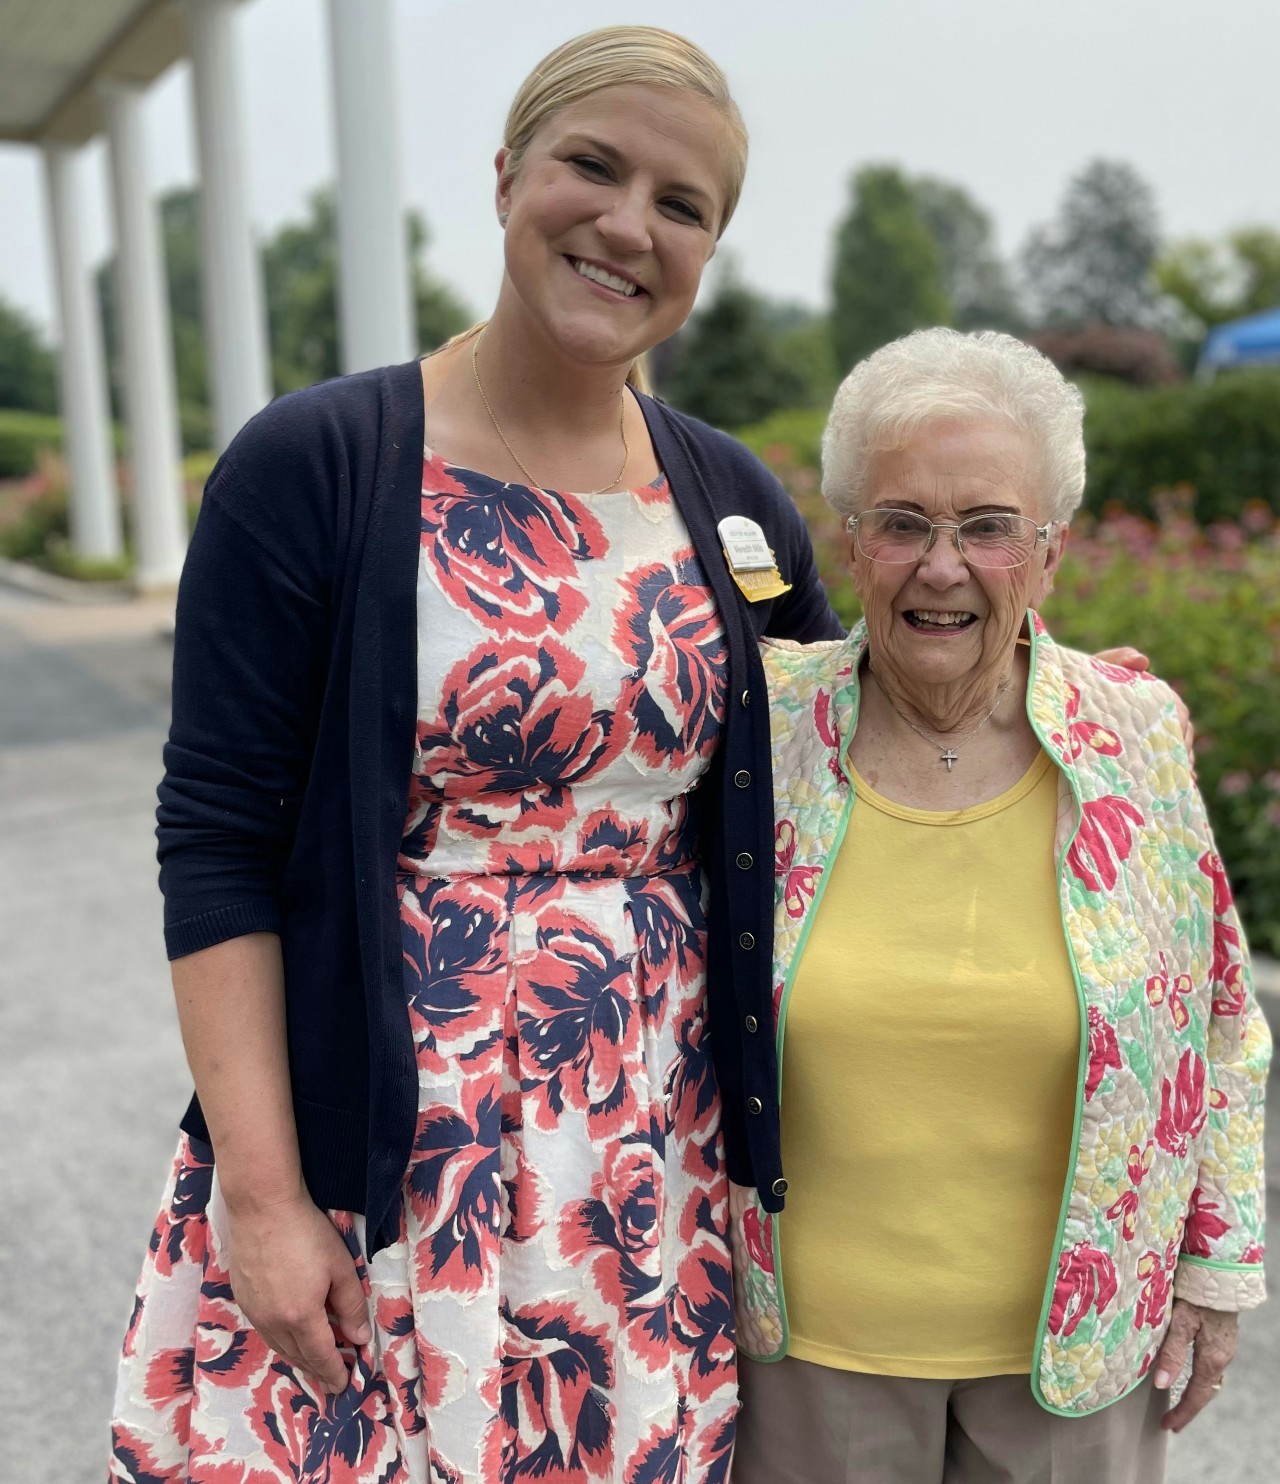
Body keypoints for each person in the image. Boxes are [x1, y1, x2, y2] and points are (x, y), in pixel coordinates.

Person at [108, 26, 844, 1483]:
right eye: (594, 165)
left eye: (683, 204)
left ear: (710, 248)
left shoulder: (736, 502)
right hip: (387, 1137)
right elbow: (217, 841)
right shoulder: (317, 466)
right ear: (508, 176)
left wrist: (1063, 702)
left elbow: (836, 757)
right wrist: (264, 1197)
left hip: (648, 1144)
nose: (630, 224)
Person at [728, 329, 1271, 1484]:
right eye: (903, 521)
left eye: (986, 526)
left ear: (1048, 555)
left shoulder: (1136, 734)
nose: (942, 564)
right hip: (812, 1357)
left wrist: (1216, 1267)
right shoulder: (761, 734)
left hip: (1080, 1354)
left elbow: (1223, 1015)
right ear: (851, 542)